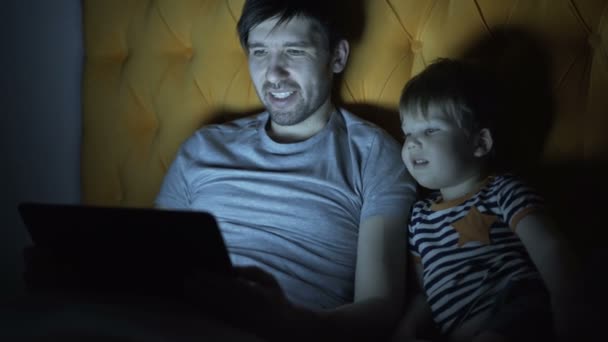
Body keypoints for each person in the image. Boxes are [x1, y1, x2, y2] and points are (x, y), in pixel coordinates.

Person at [155, 0, 416, 340]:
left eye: (294, 52)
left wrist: (292, 322)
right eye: (259, 52)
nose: (273, 73)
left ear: (336, 57)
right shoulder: (203, 147)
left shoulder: (374, 156)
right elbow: (153, 261)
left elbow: (380, 305)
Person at [390, 58, 574, 342]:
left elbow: (550, 248)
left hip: (515, 309)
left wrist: (568, 308)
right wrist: (407, 328)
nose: (413, 143)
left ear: (480, 143)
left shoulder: (502, 190)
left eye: (430, 130)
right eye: (408, 133)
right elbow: (428, 290)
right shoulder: (418, 218)